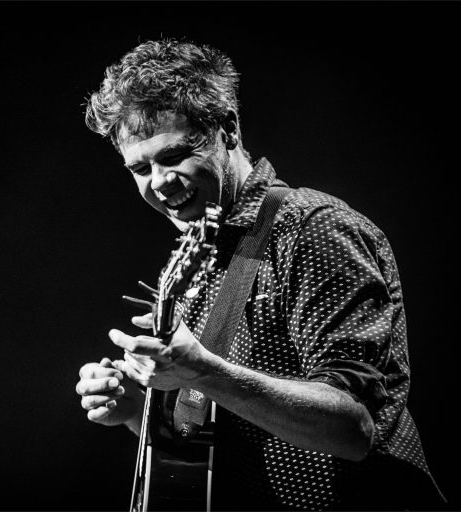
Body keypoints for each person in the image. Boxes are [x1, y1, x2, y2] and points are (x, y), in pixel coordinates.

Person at [75, 38, 446, 510]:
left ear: (227, 129)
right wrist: (138, 411)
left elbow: (353, 428)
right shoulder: (200, 247)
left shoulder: (314, 229)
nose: (160, 183)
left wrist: (204, 372)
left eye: (174, 157)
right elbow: (214, 434)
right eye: (140, 169)